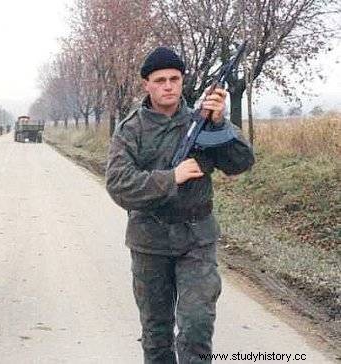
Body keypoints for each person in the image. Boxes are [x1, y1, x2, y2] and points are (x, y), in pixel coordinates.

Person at [105, 47, 255, 364]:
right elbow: (119, 184)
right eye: (160, 80)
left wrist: (219, 125)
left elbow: (240, 163)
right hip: (149, 241)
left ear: (182, 80)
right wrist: (171, 177)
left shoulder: (201, 122)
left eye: (175, 78)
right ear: (146, 84)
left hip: (196, 239)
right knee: (157, 334)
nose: (169, 86)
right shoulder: (130, 130)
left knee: (197, 327)